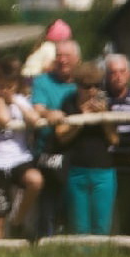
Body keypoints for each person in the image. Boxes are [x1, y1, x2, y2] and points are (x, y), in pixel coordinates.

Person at [0, 61, 43, 240]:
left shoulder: (20, 100)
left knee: (35, 180)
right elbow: (4, 119)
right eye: (2, 86)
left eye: (10, 86)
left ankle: (18, 221)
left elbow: (34, 118)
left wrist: (15, 99)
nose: (6, 90)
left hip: (19, 158)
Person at [55, 62, 118, 236]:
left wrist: (104, 117)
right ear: (78, 85)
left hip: (103, 171)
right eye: (87, 86)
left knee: (101, 225)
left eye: (97, 86)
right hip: (76, 171)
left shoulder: (106, 104)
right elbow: (61, 135)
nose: (92, 91)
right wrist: (82, 118)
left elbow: (114, 139)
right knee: (79, 226)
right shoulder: (69, 103)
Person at [30, 37, 80, 237]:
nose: (62, 60)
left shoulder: (84, 83)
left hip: (78, 151)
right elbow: (38, 107)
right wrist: (49, 114)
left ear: (77, 59)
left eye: (67, 56)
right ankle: (46, 243)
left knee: (73, 203)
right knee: (48, 204)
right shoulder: (43, 81)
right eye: (59, 56)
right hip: (49, 150)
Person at [104, 54, 130, 235]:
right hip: (107, 161)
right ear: (106, 75)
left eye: (122, 71)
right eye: (113, 72)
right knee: (108, 208)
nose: (118, 76)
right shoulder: (100, 98)